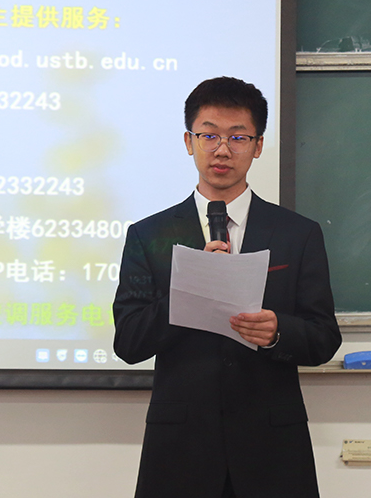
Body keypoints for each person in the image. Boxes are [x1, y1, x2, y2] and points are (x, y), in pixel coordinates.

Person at [113, 76, 342, 498]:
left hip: (272, 451)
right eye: (209, 135)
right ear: (189, 142)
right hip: (180, 450)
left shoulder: (297, 234)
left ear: (258, 145)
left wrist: (278, 333)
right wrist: (190, 288)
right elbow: (128, 342)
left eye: (238, 137)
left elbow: (324, 337)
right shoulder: (150, 235)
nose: (222, 150)